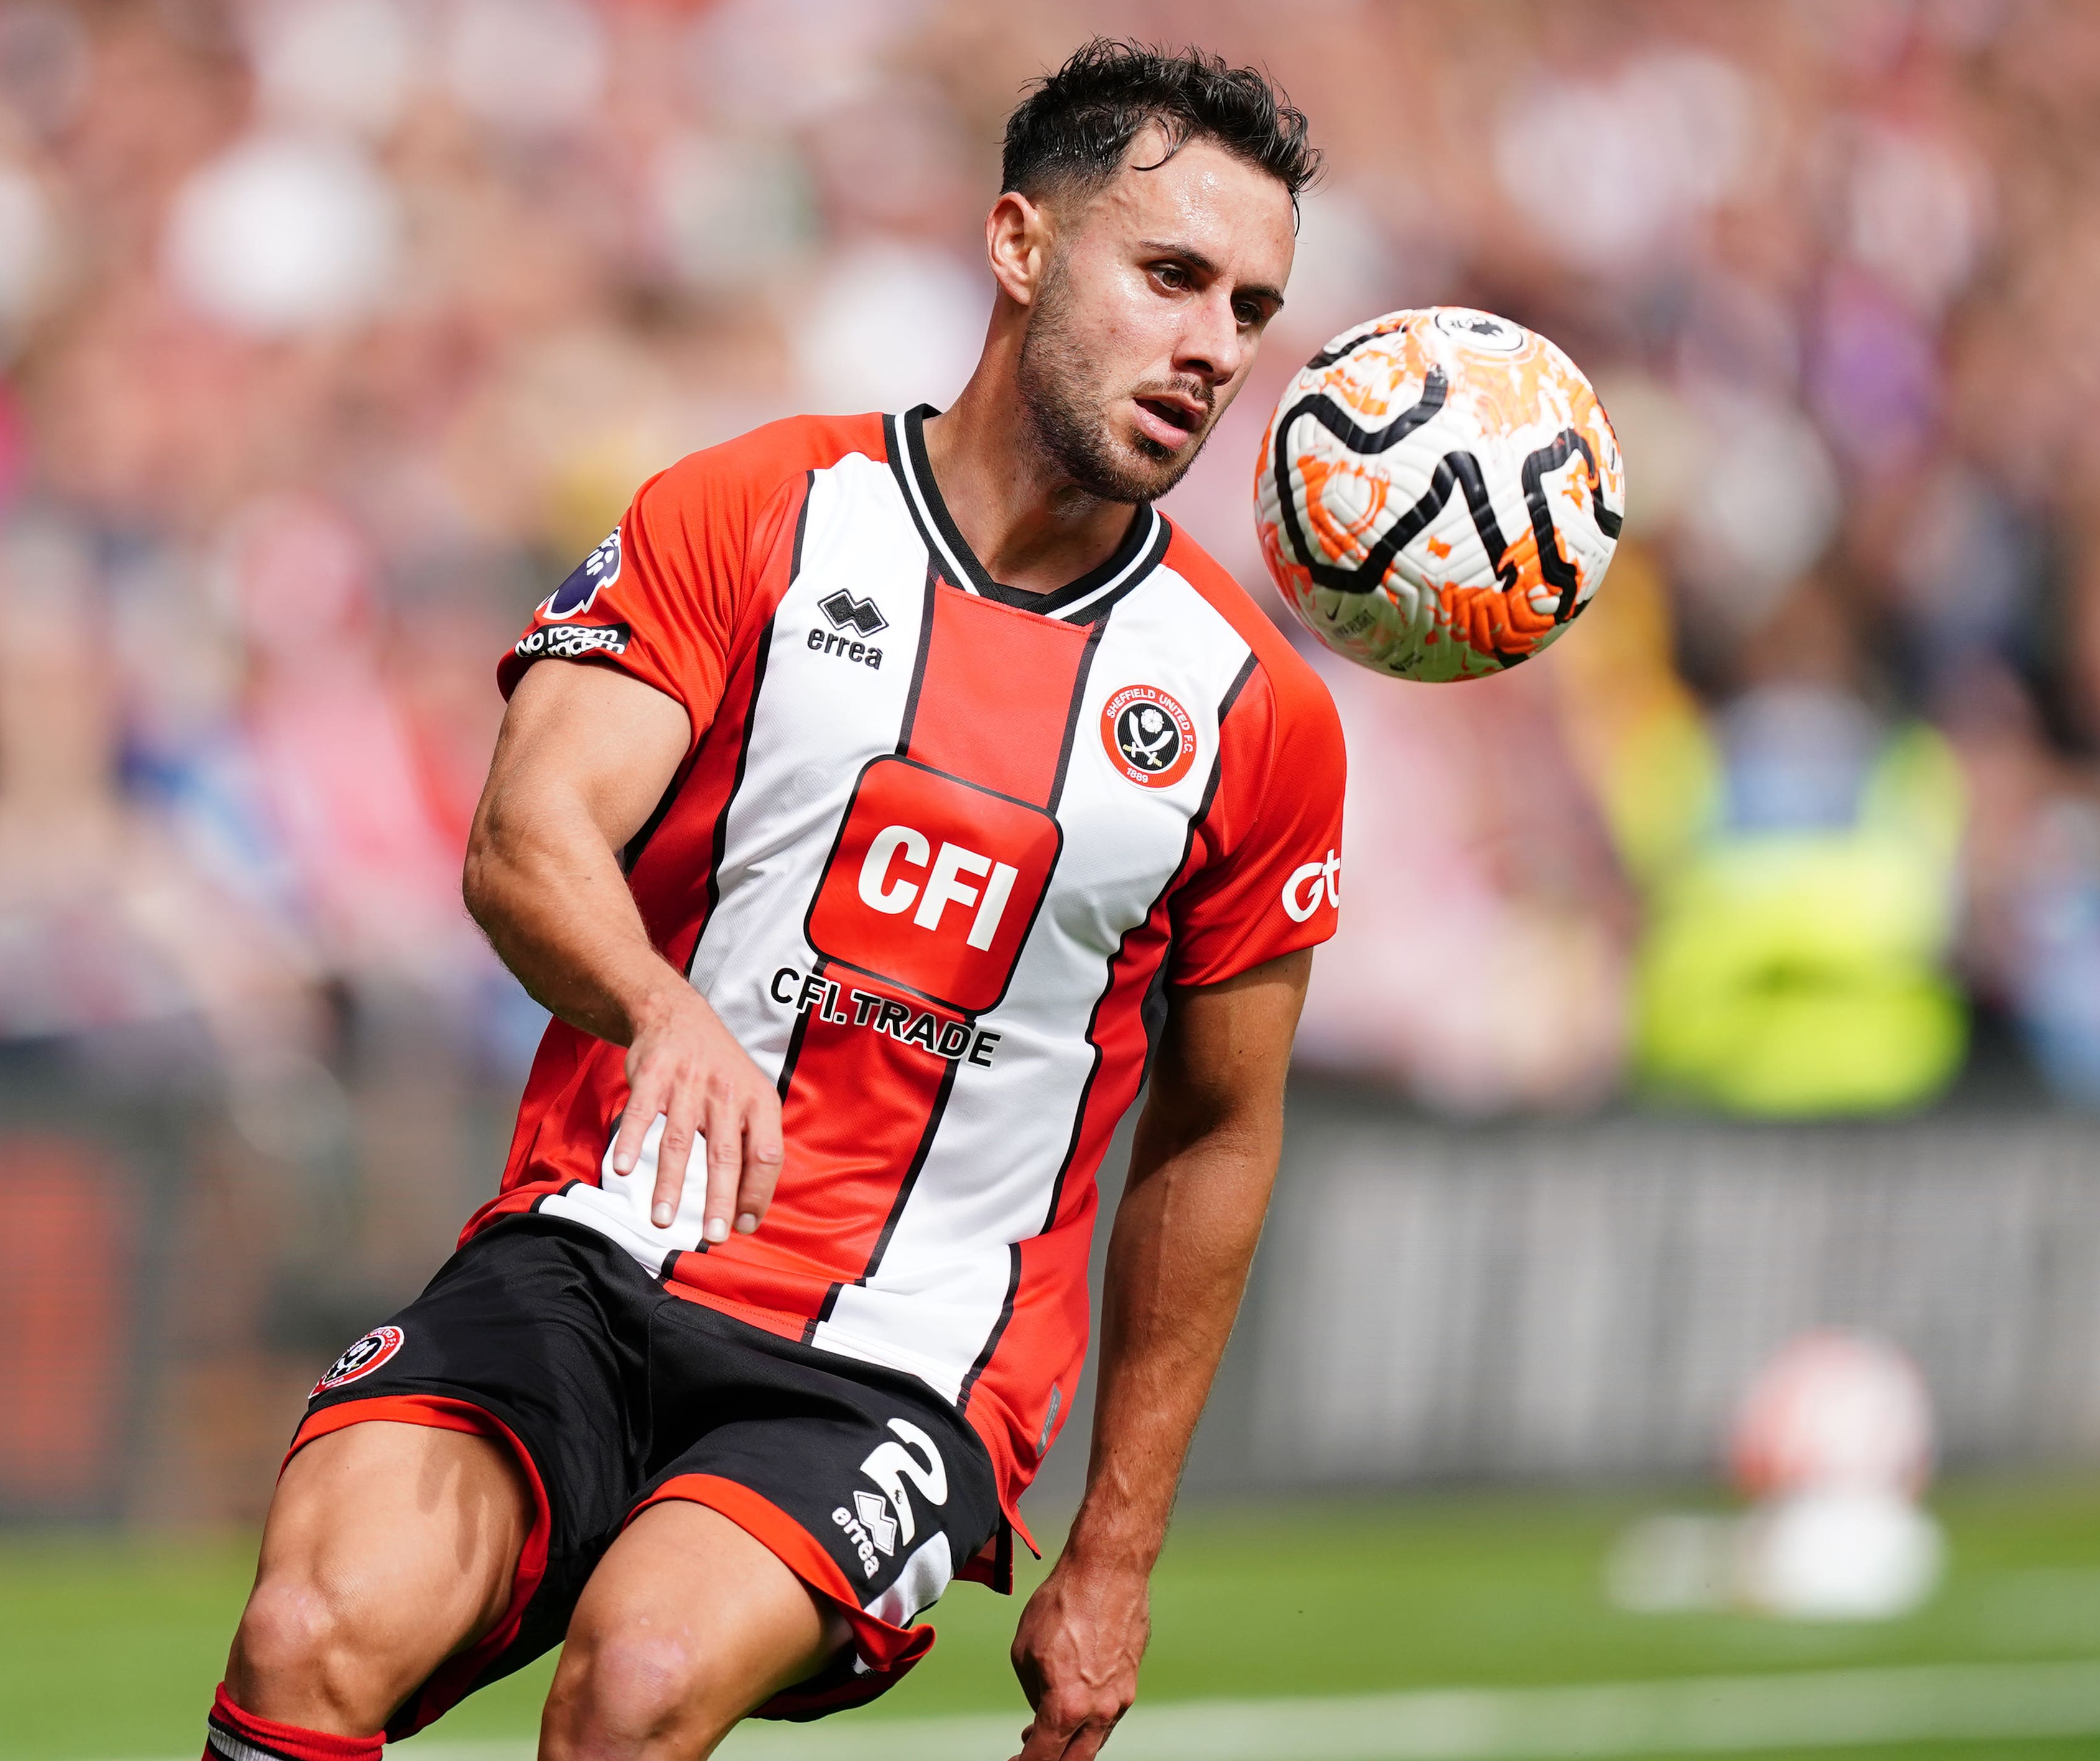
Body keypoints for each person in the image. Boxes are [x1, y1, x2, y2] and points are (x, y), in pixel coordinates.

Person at [202, 40, 1345, 1761]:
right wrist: (663, 1012)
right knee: (308, 1631)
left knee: (637, 1686)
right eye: (1169, 274)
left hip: (900, 1364)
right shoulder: (754, 514)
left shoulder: (1253, 711)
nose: (1210, 345)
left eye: (1248, 309)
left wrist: (1116, 1550)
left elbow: (1221, 1133)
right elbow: (526, 839)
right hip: (590, 1255)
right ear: (1021, 245)